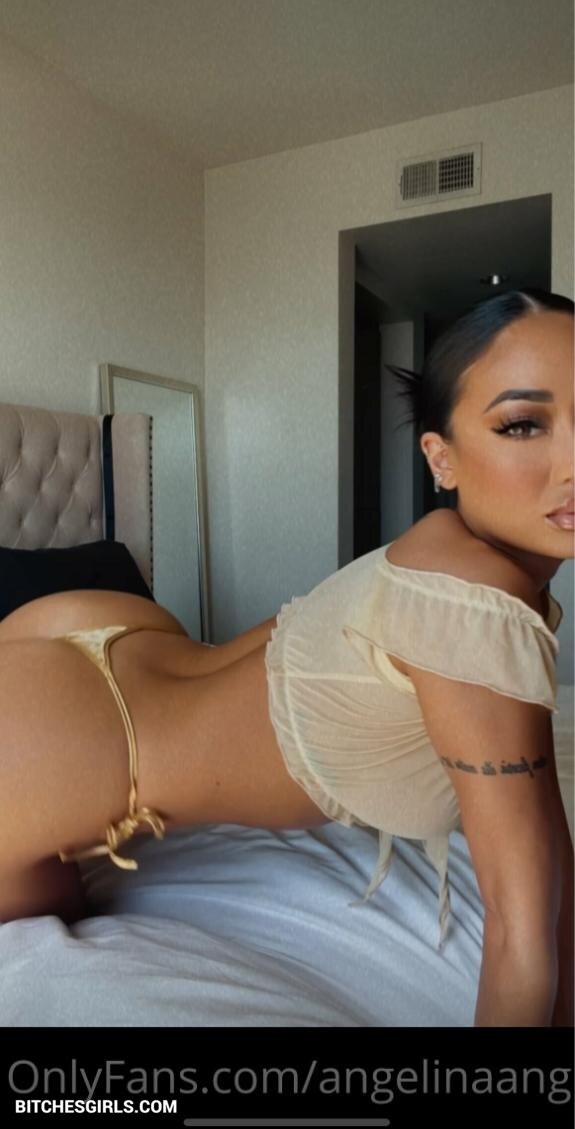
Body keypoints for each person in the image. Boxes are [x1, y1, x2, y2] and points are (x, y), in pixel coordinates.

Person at [0, 288, 572, 1029]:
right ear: (441, 457)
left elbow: (548, 864)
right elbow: (523, 931)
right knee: (44, 918)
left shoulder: (449, 550)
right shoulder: (474, 598)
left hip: (117, 645)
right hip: (61, 740)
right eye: (523, 424)